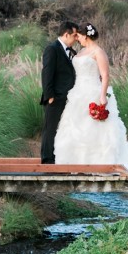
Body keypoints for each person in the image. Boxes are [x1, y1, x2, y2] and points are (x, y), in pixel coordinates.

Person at [54, 22, 128, 171]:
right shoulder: (80, 52)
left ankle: (98, 163)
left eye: (78, 36)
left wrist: (103, 96)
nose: (77, 39)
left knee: (95, 129)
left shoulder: (98, 52)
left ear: (85, 36)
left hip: (93, 91)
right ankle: (76, 162)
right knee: (74, 128)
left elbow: (105, 76)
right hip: (78, 93)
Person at [40, 20, 80, 164]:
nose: (76, 39)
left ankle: (59, 158)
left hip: (69, 98)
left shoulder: (72, 52)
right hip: (55, 97)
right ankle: (47, 160)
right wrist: (49, 96)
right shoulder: (52, 49)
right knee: (50, 128)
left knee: (63, 129)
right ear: (66, 34)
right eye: (74, 35)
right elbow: (47, 74)